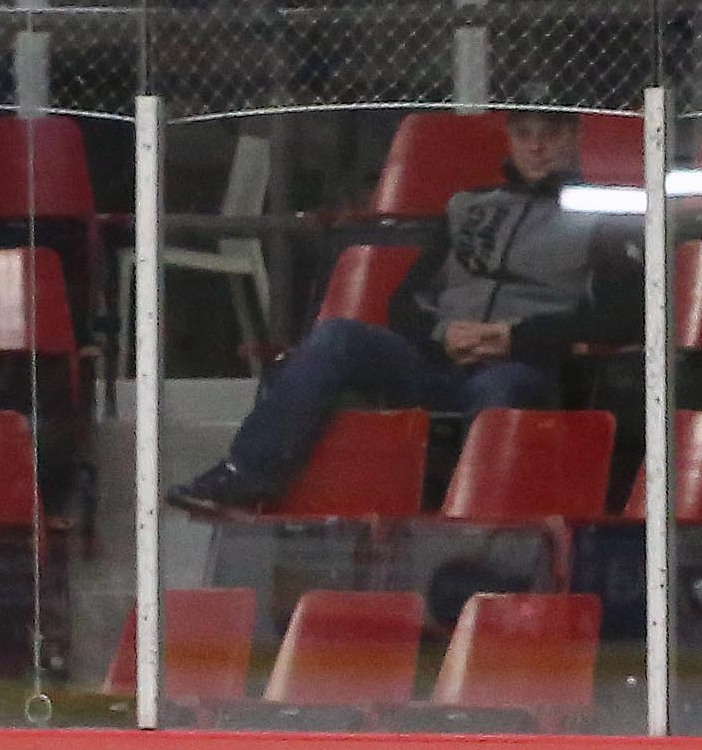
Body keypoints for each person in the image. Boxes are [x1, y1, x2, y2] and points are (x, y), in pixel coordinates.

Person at [170, 108, 636, 514]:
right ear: (509, 139)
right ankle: (243, 476)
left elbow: (622, 317)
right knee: (336, 337)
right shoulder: (467, 206)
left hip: (518, 364)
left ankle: (477, 526)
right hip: (435, 361)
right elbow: (402, 306)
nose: (536, 146)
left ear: (574, 138)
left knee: (503, 388)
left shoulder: (600, 216)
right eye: (524, 133)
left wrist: (514, 337)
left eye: (550, 134)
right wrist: (440, 333)